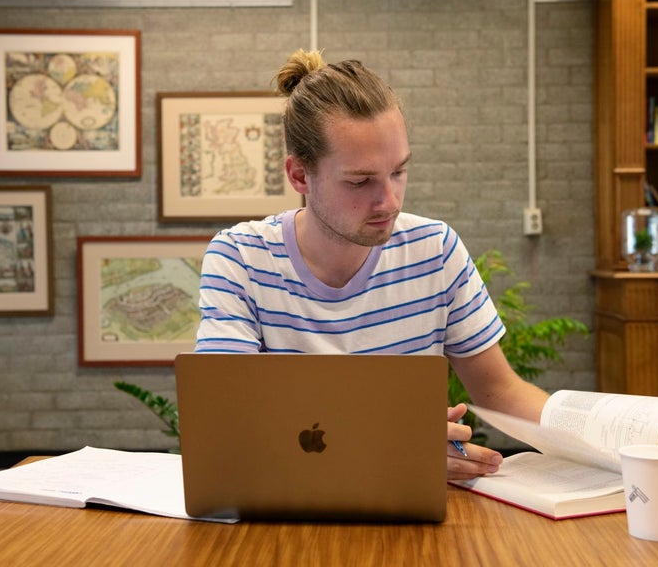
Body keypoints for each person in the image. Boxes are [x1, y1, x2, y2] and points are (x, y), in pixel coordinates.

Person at [195, 48, 549, 481]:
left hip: (406, 520)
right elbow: (227, 417)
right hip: (285, 514)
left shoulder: (435, 250)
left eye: (398, 172)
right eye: (360, 181)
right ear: (300, 176)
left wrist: (606, 441)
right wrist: (395, 449)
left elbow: (501, 392)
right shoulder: (240, 258)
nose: (390, 201)